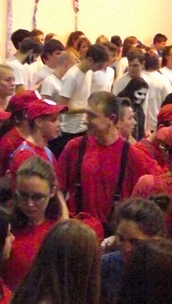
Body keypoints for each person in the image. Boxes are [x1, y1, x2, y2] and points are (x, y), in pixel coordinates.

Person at [57, 91, 159, 235]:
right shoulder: (75, 147)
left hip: (112, 236)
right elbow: (57, 188)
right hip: (76, 233)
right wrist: (64, 217)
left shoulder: (133, 155)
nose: (85, 120)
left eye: (91, 115)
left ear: (111, 118)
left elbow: (159, 183)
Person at [3, 156, 63, 291]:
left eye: (37, 197)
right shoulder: (6, 228)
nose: (30, 204)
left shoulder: (59, 229)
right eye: (23, 195)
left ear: (52, 192)